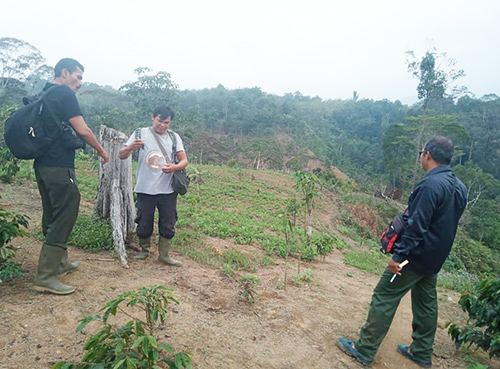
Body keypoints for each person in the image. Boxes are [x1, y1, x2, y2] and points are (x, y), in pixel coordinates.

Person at [337, 136, 468, 368]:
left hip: (412, 258)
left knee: (384, 296)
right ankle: (421, 352)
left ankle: (364, 349)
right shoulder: (459, 187)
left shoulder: (429, 185)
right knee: (426, 304)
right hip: (434, 259)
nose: (421, 155)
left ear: (427, 154)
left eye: (421, 152)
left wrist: (398, 257)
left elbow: (417, 225)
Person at [33, 58, 109, 295]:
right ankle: (46, 275)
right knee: (67, 211)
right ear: (64, 73)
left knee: (53, 211)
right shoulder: (64, 94)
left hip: (43, 165)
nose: (79, 83)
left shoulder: (44, 94)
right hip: (59, 166)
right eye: (78, 77)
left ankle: (60, 261)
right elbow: (83, 129)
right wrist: (101, 150)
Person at [119, 105, 188, 266]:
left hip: (168, 189)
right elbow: (121, 155)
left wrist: (175, 167)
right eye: (160, 121)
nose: (162, 125)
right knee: (144, 220)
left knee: (168, 221)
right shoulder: (139, 133)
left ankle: (164, 254)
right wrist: (130, 147)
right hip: (145, 188)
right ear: (153, 117)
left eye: (166, 122)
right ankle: (144, 250)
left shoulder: (174, 137)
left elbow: (184, 160)